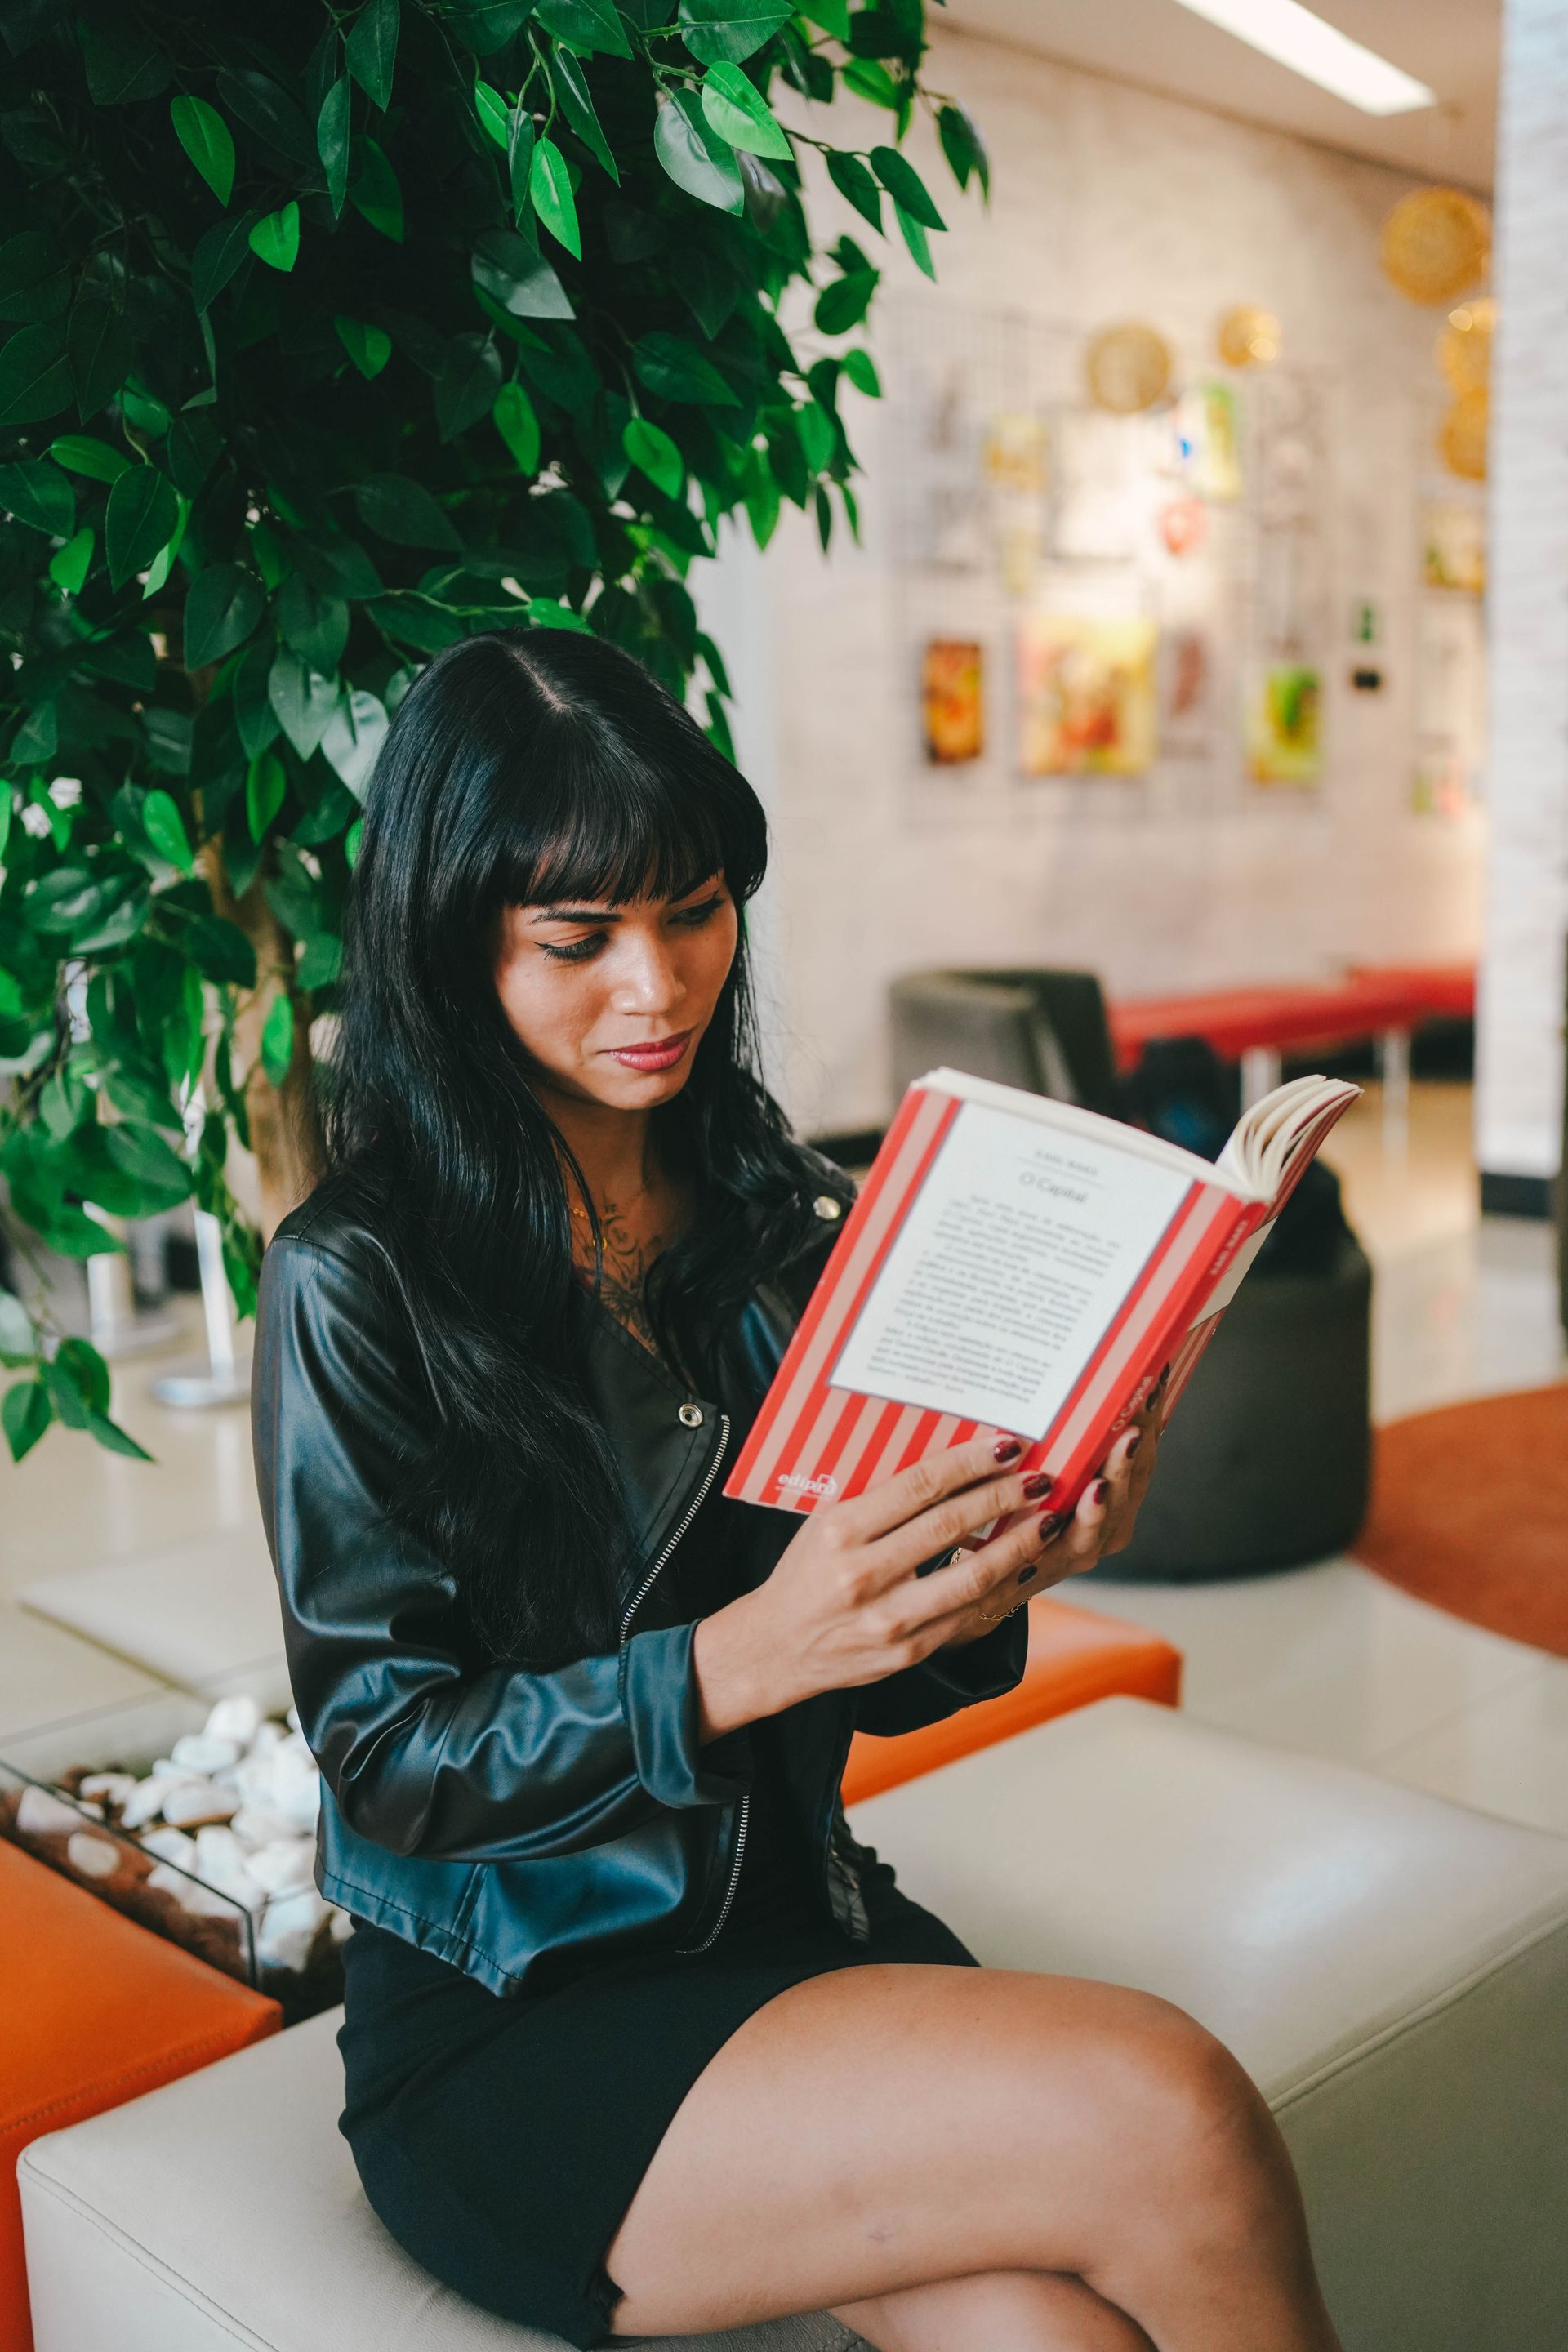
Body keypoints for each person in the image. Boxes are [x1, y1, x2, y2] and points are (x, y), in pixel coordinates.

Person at [252, 630, 1342, 2352]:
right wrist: (734, 1660)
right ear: (454, 947)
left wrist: (1011, 1563)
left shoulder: (783, 1216)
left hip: (794, 1915)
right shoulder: (359, 1279)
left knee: (1045, 2326)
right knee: (1176, 2109)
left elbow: (892, 1674)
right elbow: (387, 1759)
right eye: (578, 939)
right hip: (517, 2008)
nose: (658, 985)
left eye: (692, 910)